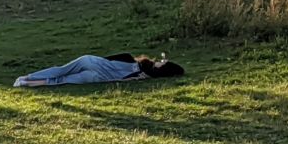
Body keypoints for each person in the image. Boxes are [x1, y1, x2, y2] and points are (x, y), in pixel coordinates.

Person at [14, 53, 184, 87]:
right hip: (97, 78)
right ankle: (26, 84)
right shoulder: (143, 77)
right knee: (62, 81)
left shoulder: (132, 60)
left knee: (61, 71)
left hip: (92, 62)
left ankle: (27, 77)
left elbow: (111, 58)